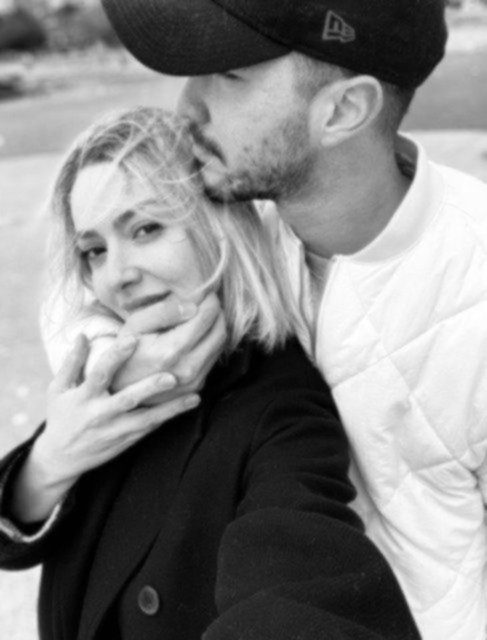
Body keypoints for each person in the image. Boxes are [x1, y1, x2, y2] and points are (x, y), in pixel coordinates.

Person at [37, 1, 486, 639]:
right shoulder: (237, 226)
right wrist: (125, 359)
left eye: (230, 75)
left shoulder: (474, 292)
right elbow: (72, 291)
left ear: (343, 110)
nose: (186, 106)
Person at [0, 108, 420, 640]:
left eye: (146, 228)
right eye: (95, 251)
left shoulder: (280, 405)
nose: (117, 275)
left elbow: (299, 588)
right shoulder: (112, 373)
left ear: (218, 226)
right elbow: (10, 541)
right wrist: (52, 459)